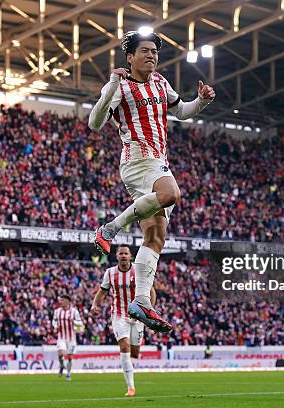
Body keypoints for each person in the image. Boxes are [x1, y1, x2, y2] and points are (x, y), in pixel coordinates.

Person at [88, 30, 216, 333]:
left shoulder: (160, 83)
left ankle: (142, 301)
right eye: (144, 51)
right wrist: (110, 86)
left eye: (155, 52)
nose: (151, 56)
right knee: (172, 193)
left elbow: (181, 112)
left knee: (155, 238)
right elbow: (95, 124)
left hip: (157, 161)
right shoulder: (120, 85)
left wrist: (201, 101)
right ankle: (110, 228)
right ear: (130, 57)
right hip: (137, 160)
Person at [90, 245, 156, 397]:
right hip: (120, 316)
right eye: (121, 254)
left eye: (126, 253)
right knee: (124, 346)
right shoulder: (110, 273)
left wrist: (149, 311)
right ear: (117, 256)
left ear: (130, 256)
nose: (124, 256)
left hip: (138, 317)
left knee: (135, 353)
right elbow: (102, 291)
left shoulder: (139, 271)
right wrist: (95, 305)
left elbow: (151, 292)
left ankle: (129, 366)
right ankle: (131, 388)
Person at [53, 295, 84, 381]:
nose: (60, 302)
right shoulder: (57, 311)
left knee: (70, 357)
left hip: (71, 338)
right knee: (61, 353)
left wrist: (73, 322)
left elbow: (80, 323)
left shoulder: (74, 312)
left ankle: (68, 373)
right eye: (60, 300)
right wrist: (56, 327)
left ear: (67, 301)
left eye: (62, 300)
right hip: (61, 337)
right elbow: (54, 321)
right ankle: (62, 365)